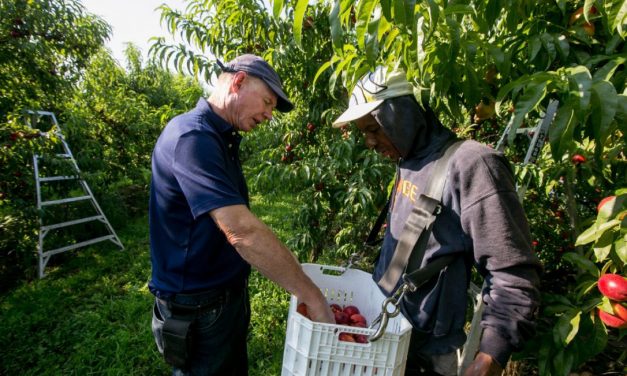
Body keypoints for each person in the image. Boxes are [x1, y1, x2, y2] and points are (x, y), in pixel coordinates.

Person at [332, 66, 542, 376]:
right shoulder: (410, 159)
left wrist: (490, 356)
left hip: (427, 349)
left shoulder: (472, 166)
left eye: (374, 129)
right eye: (364, 132)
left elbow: (513, 273)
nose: (370, 142)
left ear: (403, 113)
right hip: (389, 326)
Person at [148, 54, 334, 376]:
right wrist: (310, 294)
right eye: (267, 101)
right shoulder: (193, 137)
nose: (269, 114)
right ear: (238, 81)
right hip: (198, 309)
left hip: (221, 299)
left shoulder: (220, 138)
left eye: (272, 108)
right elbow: (242, 232)